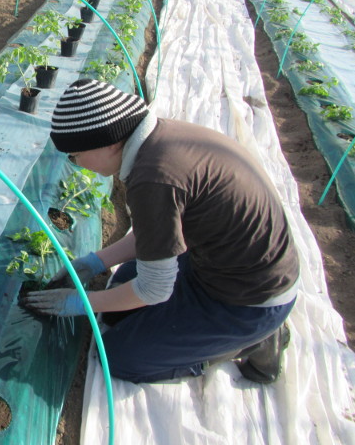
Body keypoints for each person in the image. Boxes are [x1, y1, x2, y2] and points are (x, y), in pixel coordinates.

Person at [22, 79, 299, 384]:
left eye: (75, 154)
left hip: (247, 300)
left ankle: (252, 342)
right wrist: (95, 262)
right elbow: (158, 229)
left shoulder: (154, 179)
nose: (75, 163)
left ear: (111, 141)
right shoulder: (161, 138)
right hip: (222, 264)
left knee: (118, 356)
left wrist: (79, 303)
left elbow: (155, 290)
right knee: (120, 295)